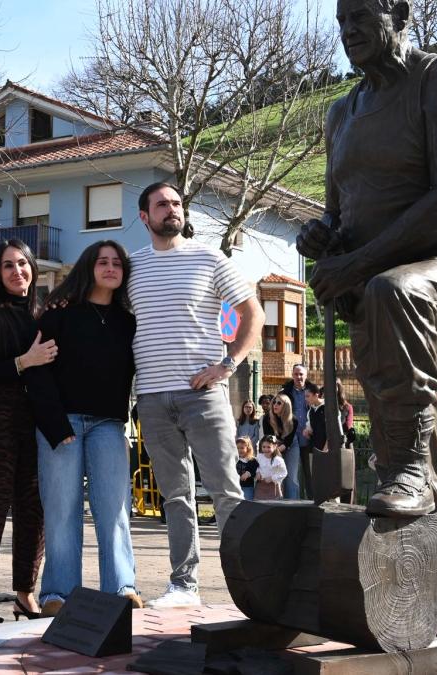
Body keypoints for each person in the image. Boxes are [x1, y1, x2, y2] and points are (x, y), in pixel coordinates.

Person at [297, 0, 437, 518]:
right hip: (371, 272)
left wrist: (357, 264)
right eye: (340, 21)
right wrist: (321, 236)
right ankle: (417, 486)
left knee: (392, 292)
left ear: (400, 14)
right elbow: (337, 211)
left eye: (360, 16)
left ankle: (412, 474)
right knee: (385, 382)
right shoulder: (341, 112)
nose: (348, 30)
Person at [129, 182, 264, 608]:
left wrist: (228, 364)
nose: (171, 209)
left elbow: (252, 312)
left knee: (226, 491)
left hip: (203, 396)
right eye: (161, 205)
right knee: (176, 497)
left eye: (176, 203)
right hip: (151, 400)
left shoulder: (210, 257)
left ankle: (253, 585)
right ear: (144, 217)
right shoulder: (131, 268)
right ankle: (183, 586)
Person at [26, 240, 139, 618]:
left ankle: (122, 588)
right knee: (61, 511)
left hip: (109, 424)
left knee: (115, 510)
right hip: (63, 424)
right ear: (88, 266)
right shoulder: (59, 313)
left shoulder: (129, 321)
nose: (110, 268)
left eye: (117, 263)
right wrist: (55, 424)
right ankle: (57, 593)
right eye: (102, 261)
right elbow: (38, 371)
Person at [0, 240, 56, 622]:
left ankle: (24, 593)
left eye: (23, 263)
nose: (17, 271)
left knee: (33, 512)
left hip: (35, 425)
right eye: (8, 266)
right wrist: (24, 361)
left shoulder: (41, 313)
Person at [277, 364, 312, 499]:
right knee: (290, 476)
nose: (299, 377)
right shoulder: (285, 392)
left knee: (310, 476)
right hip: (290, 439)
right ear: (292, 375)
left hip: (309, 440)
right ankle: (291, 504)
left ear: (306, 375)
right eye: (296, 374)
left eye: (301, 374)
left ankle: (313, 504)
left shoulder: (313, 391)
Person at [254, 436, 288, 500]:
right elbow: (255, 466)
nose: (266, 449)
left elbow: (284, 473)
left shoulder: (278, 460)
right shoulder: (259, 457)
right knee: (259, 505)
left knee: (274, 505)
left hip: (274, 486)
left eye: (269, 447)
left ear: (275, 447)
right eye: (264, 447)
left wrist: (272, 478)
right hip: (260, 485)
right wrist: (257, 472)